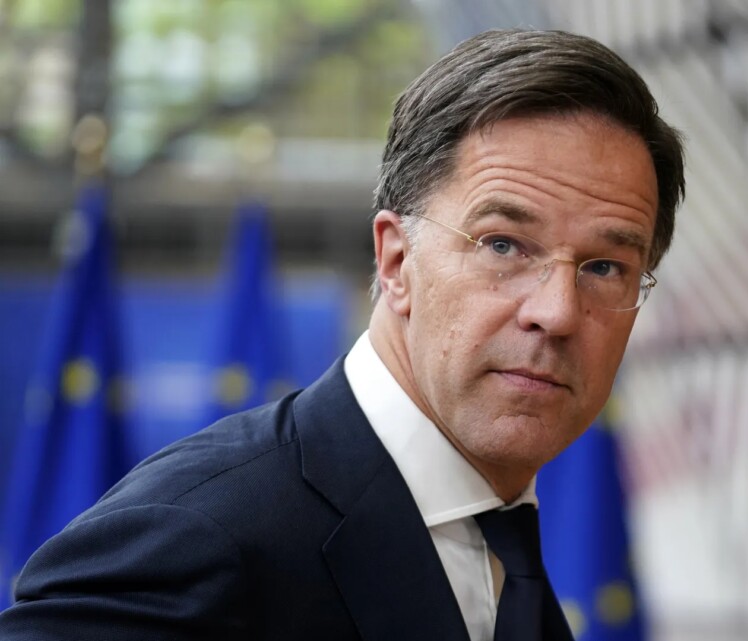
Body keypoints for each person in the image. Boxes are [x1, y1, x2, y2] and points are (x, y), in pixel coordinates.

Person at [0, 28, 684, 641]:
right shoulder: (199, 538)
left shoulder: (502, 543)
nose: (557, 311)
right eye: (503, 245)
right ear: (396, 262)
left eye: (605, 267)